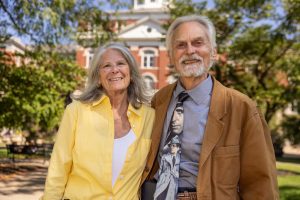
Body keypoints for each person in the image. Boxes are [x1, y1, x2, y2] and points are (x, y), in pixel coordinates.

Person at [141, 15, 279, 200]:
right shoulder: (159, 100)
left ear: (213, 51)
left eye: (198, 43)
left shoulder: (241, 107)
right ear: (171, 55)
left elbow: (260, 183)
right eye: (181, 45)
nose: (190, 51)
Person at [42, 43, 155, 200]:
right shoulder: (76, 111)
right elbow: (58, 168)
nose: (115, 69)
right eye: (106, 66)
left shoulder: (150, 117)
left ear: (131, 73)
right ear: (98, 78)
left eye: (121, 63)